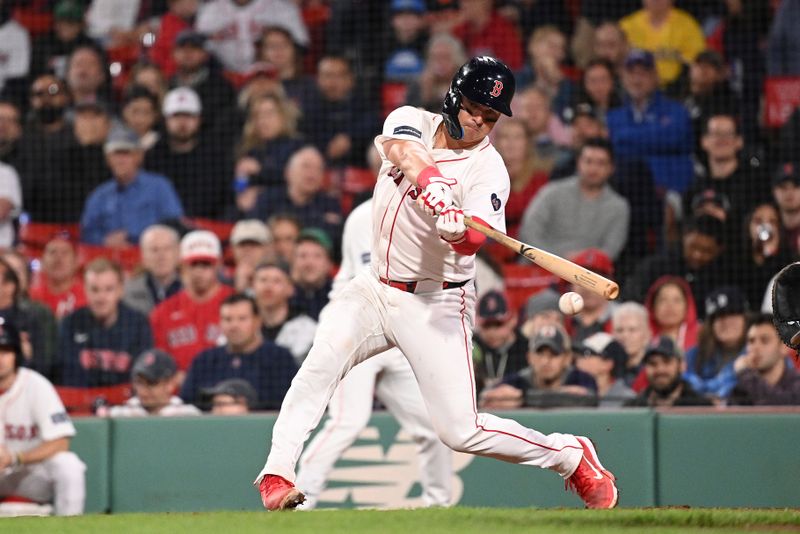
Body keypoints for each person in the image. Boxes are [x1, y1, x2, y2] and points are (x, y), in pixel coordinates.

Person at [255, 57, 619, 511]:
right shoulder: (410, 119)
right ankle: (277, 472)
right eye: (473, 109)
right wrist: (435, 187)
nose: (480, 121)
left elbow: (472, 243)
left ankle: (568, 455)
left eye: (491, 116)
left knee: (459, 431)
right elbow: (405, 153)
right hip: (374, 287)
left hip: (436, 301)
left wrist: (454, 230)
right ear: (454, 97)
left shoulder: (490, 171)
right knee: (320, 364)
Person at [294, 197, 453, 510]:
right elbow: (377, 277)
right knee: (348, 421)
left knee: (434, 425)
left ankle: (439, 505)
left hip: (402, 329)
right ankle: (299, 500)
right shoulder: (364, 215)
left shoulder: (432, 213)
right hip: (356, 323)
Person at [0, 319, 86, 516]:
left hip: (28, 473)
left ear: (16, 354)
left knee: (69, 465)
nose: (0, 358)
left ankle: (70, 526)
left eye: (5, 351)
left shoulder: (36, 385)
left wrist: (17, 458)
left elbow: (61, 442)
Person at [518, 138, 630, 261]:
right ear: (578, 162)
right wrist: (559, 259)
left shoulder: (619, 207)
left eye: (601, 163)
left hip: (588, 273)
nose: (593, 169)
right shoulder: (551, 192)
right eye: (588, 161)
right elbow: (528, 232)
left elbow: (610, 250)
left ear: (611, 168)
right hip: (540, 266)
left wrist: (582, 261)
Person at [180, 293, 298, 409]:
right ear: (219, 322)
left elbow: (294, 404)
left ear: (257, 321)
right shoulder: (204, 361)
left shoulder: (280, 359)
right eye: (228, 319)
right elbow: (187, 407)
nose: (234, 325)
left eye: (242, 319)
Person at [80, 126, 184, 248]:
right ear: (107, 159)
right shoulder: (99, 196)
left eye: (126, 153)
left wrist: (135, 236)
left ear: (139, 156)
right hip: (110, 258)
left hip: (151, 256)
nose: (120, 160)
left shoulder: (159, 187)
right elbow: (86, 233)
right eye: (116, 154)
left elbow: (175, 225)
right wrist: (104, 241)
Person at [606, 49, 694, 194]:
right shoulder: (614, 116)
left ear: (655, 77)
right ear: (623, 78)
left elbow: (674, 137)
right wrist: (657, 135)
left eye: (643, 74)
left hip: (669, 188)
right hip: (626, 191)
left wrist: (626, 136)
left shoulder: (677, 110)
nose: (637, 80)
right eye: (631, 73)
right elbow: (615, 146)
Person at [55, 259, 153, 387]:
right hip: (79, 401)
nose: (101, 297)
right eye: (95, 290)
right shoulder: (70, 323)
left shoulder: (138, 324)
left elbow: (142, 375)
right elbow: (65, 375)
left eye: (109, 289)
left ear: (120, 290)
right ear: (85, 290)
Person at [150, 230, 235, 372]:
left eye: (206, 264)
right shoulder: (163, 311)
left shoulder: (236, 303)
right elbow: (159, 362)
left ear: (218, 265)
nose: (199, 271)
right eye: (193, 264)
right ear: (182, 266)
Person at [144, 86, 231, 219]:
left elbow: (226, 199)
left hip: (208, 227)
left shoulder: (215, 157)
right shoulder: (153, 157)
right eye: (176, 116)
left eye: (188, 116)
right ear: (165, 120)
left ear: (199, 119)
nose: (182, 123)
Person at [479, 324, 597, 409]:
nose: (545, 361)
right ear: (529, 357)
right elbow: (484, 397)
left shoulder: (580, 379)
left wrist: (525, 397)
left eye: (554, 354)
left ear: (567, 358)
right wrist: (497, 398)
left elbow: (592, 398)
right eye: (540, 354)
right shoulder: (519, 380)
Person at [619, 0, 705, 89]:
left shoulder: (688, 26)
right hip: (633, 89)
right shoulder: (627, 26)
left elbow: (697, 63)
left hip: (676, 89)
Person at [683, 286, 748, 402]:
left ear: (745, 319)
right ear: (711, 325)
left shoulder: (760, 352)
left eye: (732, 314)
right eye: (720, 316)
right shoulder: (694, 356)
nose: (726, 322)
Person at [251, 261, 316, 367]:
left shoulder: (308, 329)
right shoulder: (241, 323)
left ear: (290, 289)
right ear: (252, 286)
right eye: (263, 280)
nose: (268, 287)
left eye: (276, 281)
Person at [729, 313, 800, 406]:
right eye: (751, 341)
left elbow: (781, 408)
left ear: (784, 347)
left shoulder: (796, 385)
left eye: (765, 340)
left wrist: (745, 373)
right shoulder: (741, 389)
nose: (755, 347)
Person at [108, 349, 201, 417]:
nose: (142, 391)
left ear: (170, 384)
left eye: (151, 383)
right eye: (139, 383)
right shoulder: (120, 415)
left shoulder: (188, 415)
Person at [626, 335, 713, 407]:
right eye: (652, 363)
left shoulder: (701, 407)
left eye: (667, 362)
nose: (660, 369)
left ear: (682, 366)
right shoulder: (633, 408)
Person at [472, 290, 529, 394]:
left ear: (513, 320)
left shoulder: (527, 348)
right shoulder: (472, 347)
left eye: (498, 325)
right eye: (486, 326)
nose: (492, 332)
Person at [123, 224, 183, 316]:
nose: (161, 256)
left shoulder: (193, 290)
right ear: (143, 256)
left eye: (167, 249)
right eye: (154, 250)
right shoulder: (127, 292)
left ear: (178, 253)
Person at [29, 235, 86, 321]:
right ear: (43, 261)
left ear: (75, 262)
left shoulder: (87, 296)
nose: (58, 258)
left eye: (65, 253)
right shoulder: (31, 297)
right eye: (52, 252)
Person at [575, 332, 635, 407]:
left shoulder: (627, 400)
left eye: (586, 354)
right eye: (579, 354)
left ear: (607, 364)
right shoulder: (574, 392)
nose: (579, 359)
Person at [288, 229, 334, 321]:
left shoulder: (340, 296)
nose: (309, 263)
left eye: (317, 256)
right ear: (293, 262)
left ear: (329, 264)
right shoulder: (285, 297)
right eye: (303, 256)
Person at [611, 302, 651, 389]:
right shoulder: (608, 369)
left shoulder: (655, 370)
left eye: (632, 330)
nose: (625, 336)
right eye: (619, 330)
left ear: (647, 334)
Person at [230, 219, 276, 292]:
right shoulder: (220, 281)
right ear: (233, 249)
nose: (247, 250)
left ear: (269, 248)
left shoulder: (280, 281)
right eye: (242, 244)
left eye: (254, 244)